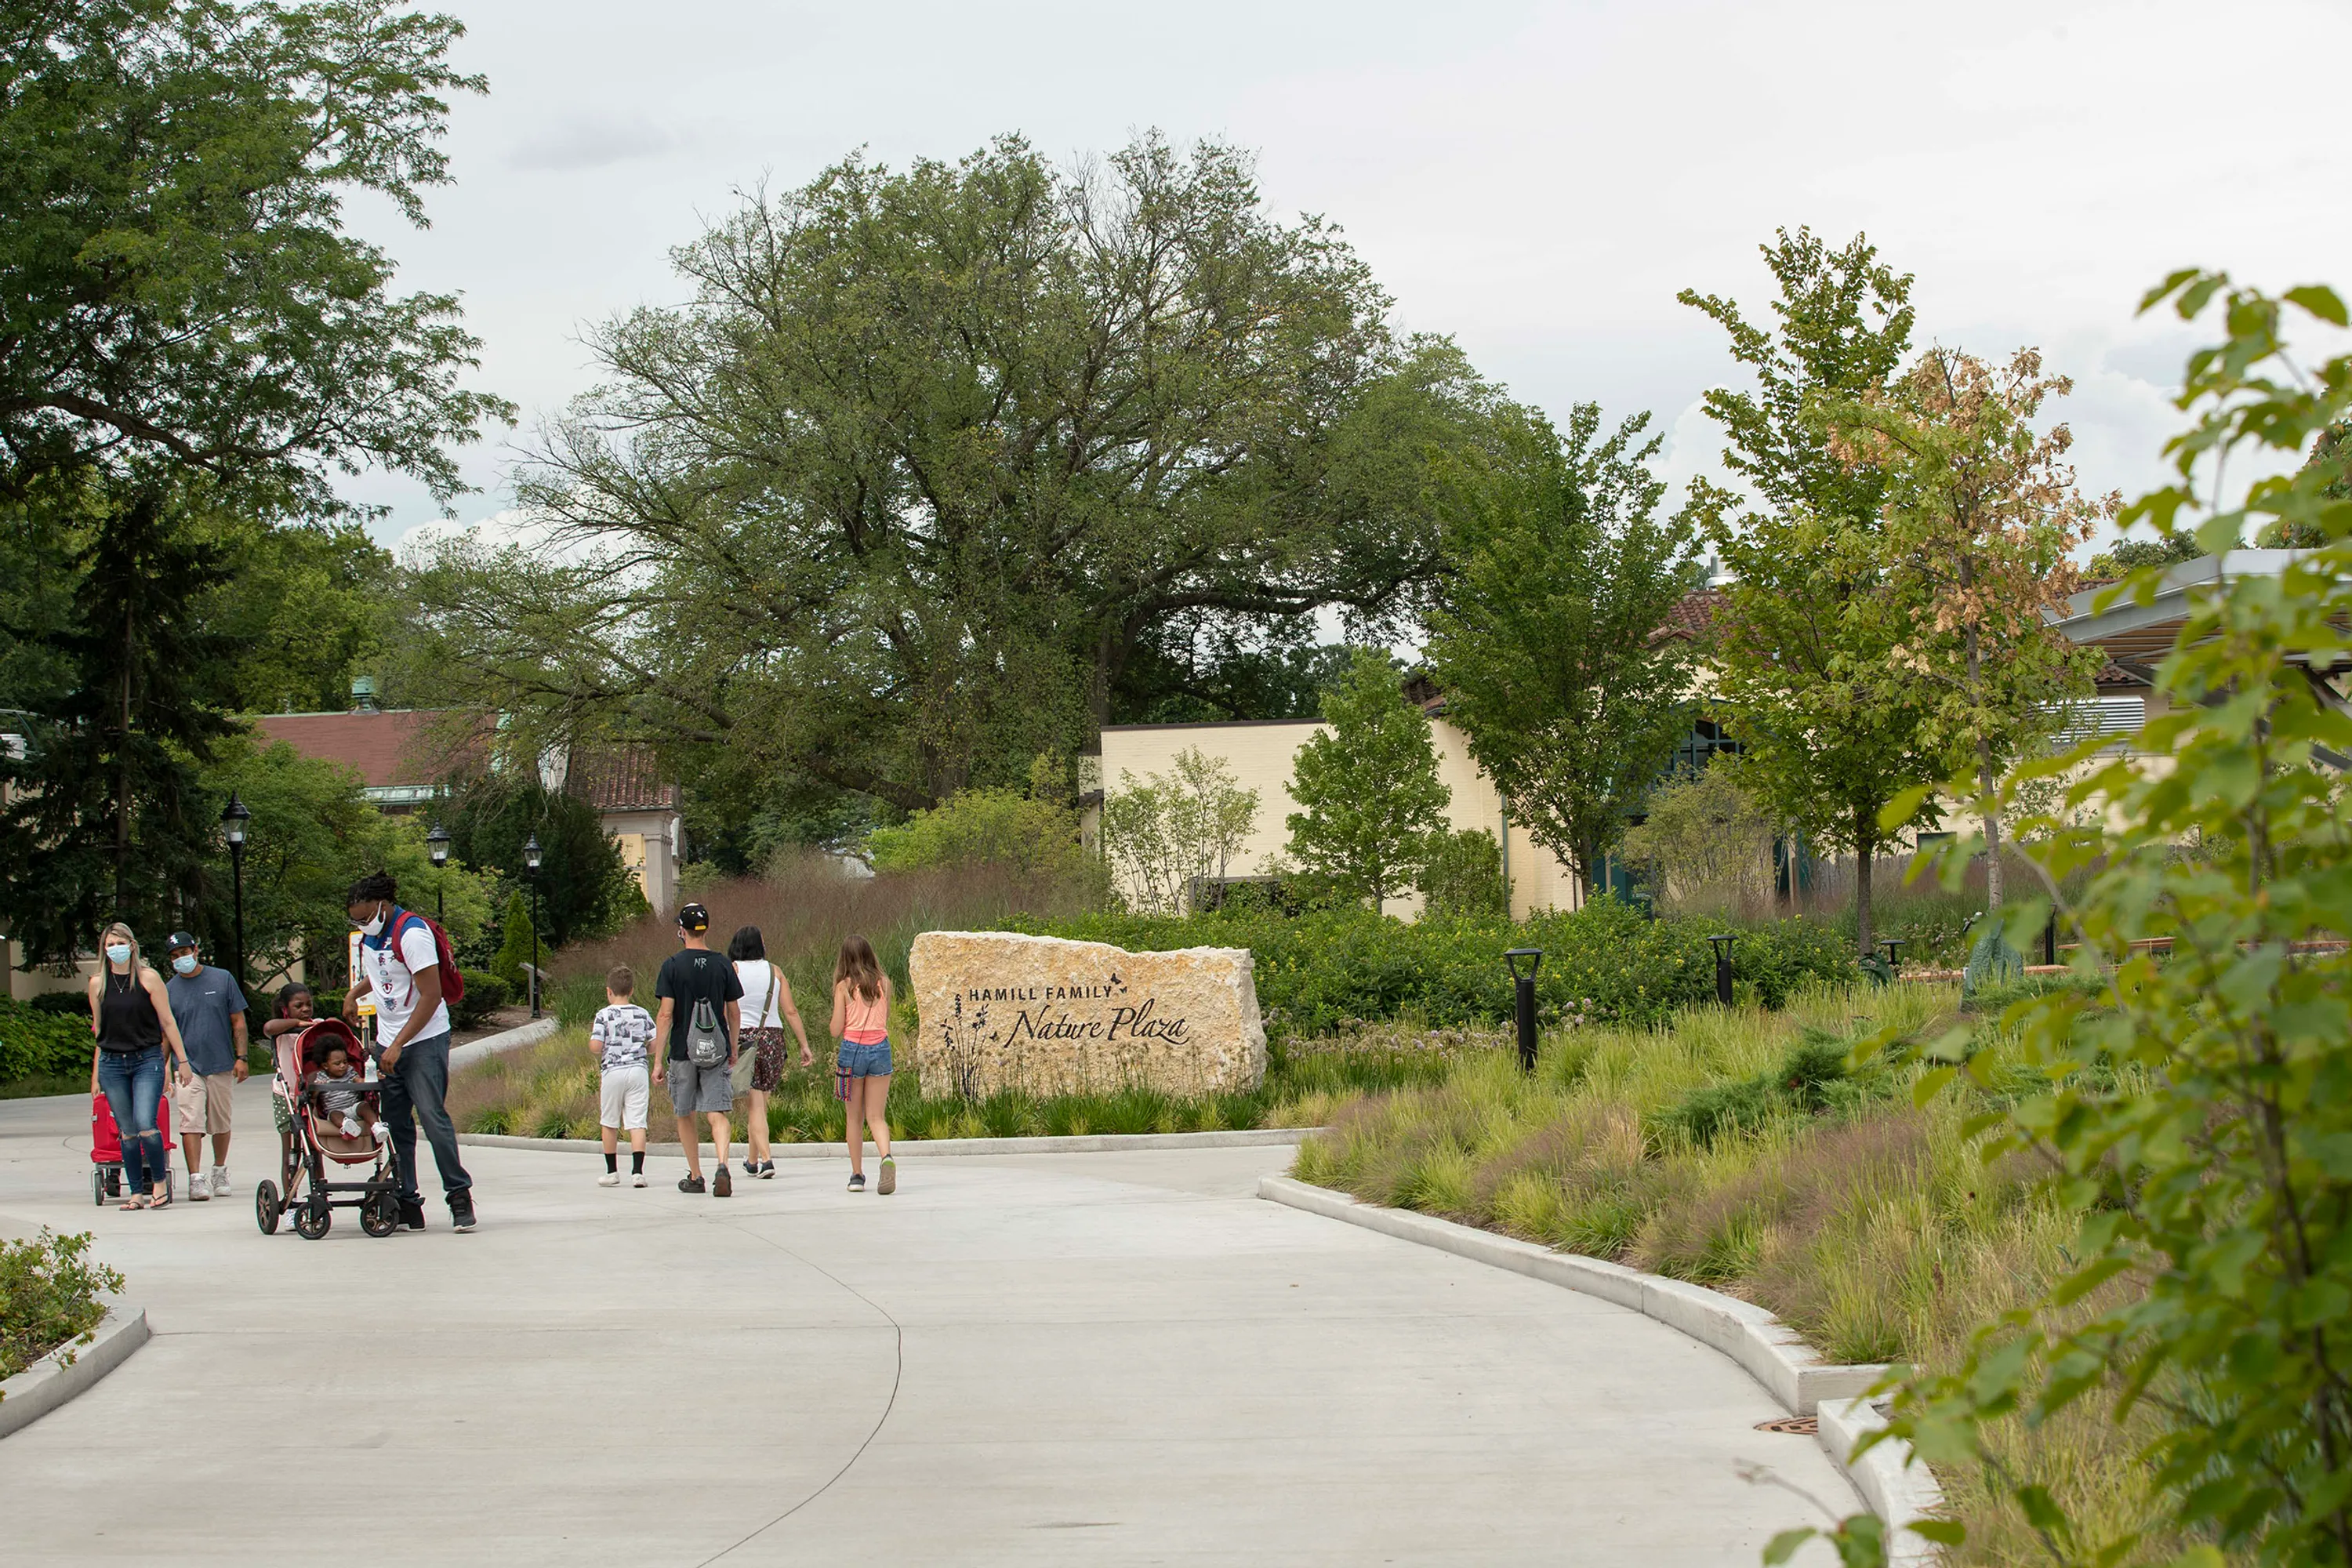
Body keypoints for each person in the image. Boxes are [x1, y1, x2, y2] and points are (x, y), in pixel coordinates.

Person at [343, 871, 476, 1233]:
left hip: (423, 1041)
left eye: (365, 917)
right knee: (397, 1123)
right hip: (389, 1043)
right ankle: (408, 1200)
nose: (361, 924)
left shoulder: (412, 934)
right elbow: (383, 973)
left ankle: (459, 1196)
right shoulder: (371, 939)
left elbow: (431, 995)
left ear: (383, 905)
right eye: (355, 919)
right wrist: (354, 994)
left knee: (433, 1118)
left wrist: (399, 1044)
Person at [85, 921, 194, 1210]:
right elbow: (100, 1031)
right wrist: (96, 1074)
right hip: (112, 1062)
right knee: (127, 1130)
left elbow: (168, 1021)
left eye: (120, 943)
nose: (115, 949)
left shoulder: (148, 978)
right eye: (109, 945)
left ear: (132, 945)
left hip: (146, 1058)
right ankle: (135, 1193)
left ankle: (158, 1182)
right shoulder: (98, 983)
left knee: (146, 1123)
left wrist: (182, 1061)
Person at [652, 902, 742, 1196]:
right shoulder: (722, 964)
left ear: (682, 930)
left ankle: (696, 1175)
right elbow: (734, 1011)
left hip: (682, 1050)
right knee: (716, 1112)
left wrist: (657, 1061)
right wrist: (733, 1047)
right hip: (715, 1050)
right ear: (707, 929)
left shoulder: (672, 966)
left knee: (685, 1113)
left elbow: (665, 1014)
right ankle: (723, 1164)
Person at [163, 931, 248, 1200]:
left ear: (196, 950)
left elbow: (238, 1021)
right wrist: (164, 1066)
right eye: (175, 956)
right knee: (191, 1122)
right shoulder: (169, 990)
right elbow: (166, 1031)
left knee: (221, 1122)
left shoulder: (221, 978)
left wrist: (242, 1057)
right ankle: (195, 1178)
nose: (181, 959)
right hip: (187, 1066)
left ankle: (219, 1170)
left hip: (221, 1063)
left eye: (184, 953)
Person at [728, 925, 812, 1179]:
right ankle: (752, 1161)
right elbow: (791, 1011)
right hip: (773, 1039)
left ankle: (766, 1160)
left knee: (754, 1106)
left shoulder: (733, 970)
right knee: (760, 1103)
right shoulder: (775, 971)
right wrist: (804, 1045)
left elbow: (727, 1010)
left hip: (744, 1040)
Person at [829, 935, 896, 1196]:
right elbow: (885, 1019)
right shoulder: (885, 984)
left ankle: (857, 1175)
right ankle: (886, 1156)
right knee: (876, 1116)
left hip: (852, 1052)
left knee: (854, 1118)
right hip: (880, 1049)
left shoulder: (844, 987)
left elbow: (836, 1029)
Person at [590, 965, 655, 1187]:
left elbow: (597, 1046)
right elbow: (654, 1042)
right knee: (637, 1121)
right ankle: (638, 1172)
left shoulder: (603, 1015)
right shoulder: (642, 1013)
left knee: (609, 1120)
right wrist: (641, 1050)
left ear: (609, 991)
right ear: (632, 990)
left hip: (613, 1071)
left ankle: (612, 1172)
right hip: (638, 1070)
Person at [263, 983, 316, 1207]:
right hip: (285, 1095)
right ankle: (290, 1200)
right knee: (290, 1150)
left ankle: (318, 1192)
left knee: (313, 1148)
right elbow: (269, 1027)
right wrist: (296, 1024)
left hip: (311, 1095)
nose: (305, 1009)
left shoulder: (316, 1027)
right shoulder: (282, 1031)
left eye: (308, 1005)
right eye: (298, 1006)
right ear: (286, 1009)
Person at [307, 1040, 386, 1144]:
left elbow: (359, 1081)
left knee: (364, 1106)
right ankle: (347, 1126)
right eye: (337, 1063)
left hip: (353, 1108)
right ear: (326, 1066)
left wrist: (373, 1077)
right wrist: (319, 1087)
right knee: (334, 1115)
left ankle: (377, 1126)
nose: (343, 1066)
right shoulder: (322, 1077)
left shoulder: (349, 1072)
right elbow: (313, 1097)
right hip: (335, 1109)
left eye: (345, 1062)